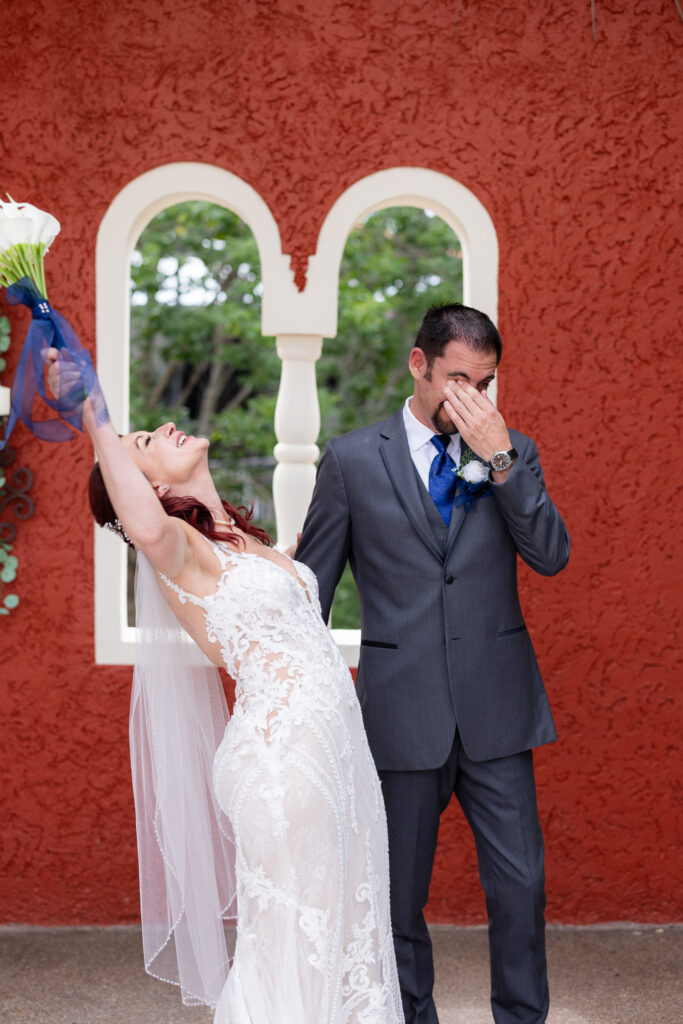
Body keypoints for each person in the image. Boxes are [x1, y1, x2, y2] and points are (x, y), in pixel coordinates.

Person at [45, 347, 403, 1024]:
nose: (165, 430)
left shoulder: (243, 542)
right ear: (146, 489)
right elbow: (144, 529)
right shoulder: (178, 545)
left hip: (331, 754)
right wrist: (94, 415)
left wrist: (287, 562)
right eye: (145, 442)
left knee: (339, 931)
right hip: (283, 762)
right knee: (300, 944)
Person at [296, 303, 570, 1024]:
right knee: (395, 898)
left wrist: (502, 457)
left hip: (498, 711)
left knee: (521, 889)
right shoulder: (352, 461)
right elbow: (310, 594)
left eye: (483, 383)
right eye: (456, 379)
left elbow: (550, 556)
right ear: (417, 366)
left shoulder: (515, 451)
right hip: (398, 710)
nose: (470, 399)